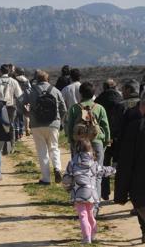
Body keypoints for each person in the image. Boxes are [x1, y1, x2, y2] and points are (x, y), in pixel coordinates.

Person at [65, 82, 111, 215]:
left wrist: (71, 142)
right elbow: (105, 126)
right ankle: (95, 206)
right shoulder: (99, 108)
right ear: (93, 94)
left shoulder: (74, 108)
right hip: (96, 142)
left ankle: (80, 200)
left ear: (80, 94)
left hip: (79, 143)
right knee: (97, 174)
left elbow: (69, 127)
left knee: (79, 173)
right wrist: (106, 140)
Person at [63, 139, 116, 244]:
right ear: (90, 150)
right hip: (91, 194)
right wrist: (114, 169)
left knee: (83, 215)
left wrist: (67, 186)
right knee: (90, 214)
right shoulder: (93, 163)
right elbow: (103, 170)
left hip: (79, 193)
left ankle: (86, 237)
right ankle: (93, 233)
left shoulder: (72, 163)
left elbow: (66, 179)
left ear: (76, 150)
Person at [24, 70, 67, 185]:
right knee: (54, 148)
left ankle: (46, 178)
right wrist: (59, 121)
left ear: (37, 79)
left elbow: (20, 102)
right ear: (48, 79)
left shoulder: (30, 91)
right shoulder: (55, 90)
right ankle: (57, 168)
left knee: (42, 151)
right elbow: (64, 109)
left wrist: (27, 114)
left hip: (36, 124)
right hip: (53, 124)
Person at [114, 93, 145, 243]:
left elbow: (126, 163)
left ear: (142, 107)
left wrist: (120, 193)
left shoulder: (135, 127)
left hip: (139, 185)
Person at [94, 79, 125, 200]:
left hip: (104, 138)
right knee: (119, 166)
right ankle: (119, 194)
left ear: (104, 87)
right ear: (115, 86)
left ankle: (104, 191)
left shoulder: (98, 100)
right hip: (119, 137)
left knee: (103, 164)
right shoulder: (121, 99)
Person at [0, 64, 23, 153]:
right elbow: (19, 95)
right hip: (11, 106)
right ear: (9, 71)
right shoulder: (13, 81)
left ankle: (3, 147)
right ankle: (12, 146)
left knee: (1, 126)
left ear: (0, 71)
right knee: (11, 126)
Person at [14, 67, 32, 139]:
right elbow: (29, 89)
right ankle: (24, 129)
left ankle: (18, 131)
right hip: (25, 98)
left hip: (16, 99)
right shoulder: (26, 80)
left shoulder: (15, 80)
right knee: (25, 114)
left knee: (17, 116)